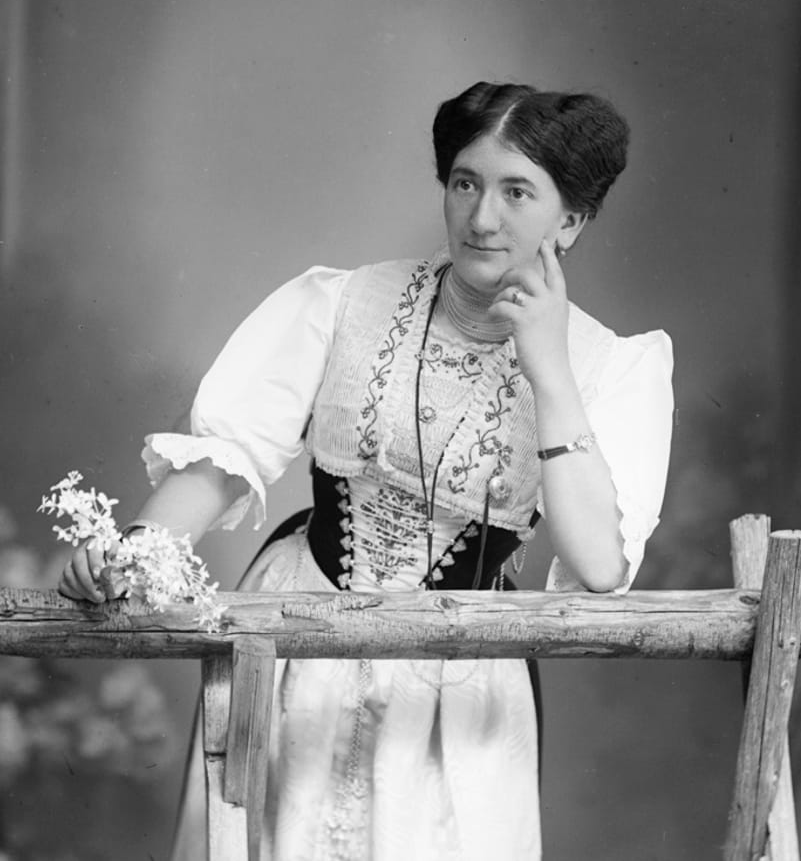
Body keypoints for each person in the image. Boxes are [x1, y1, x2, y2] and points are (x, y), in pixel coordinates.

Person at [58, 81, 674, 861]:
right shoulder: (345, 301)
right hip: (294, 643)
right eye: (465, 183)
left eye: (518, 192)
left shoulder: (610, 367)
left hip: (461, 683)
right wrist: (133, 553)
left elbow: (596, 565)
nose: (483, 218)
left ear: (573, 219)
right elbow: (227, 456)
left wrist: (548, 368)